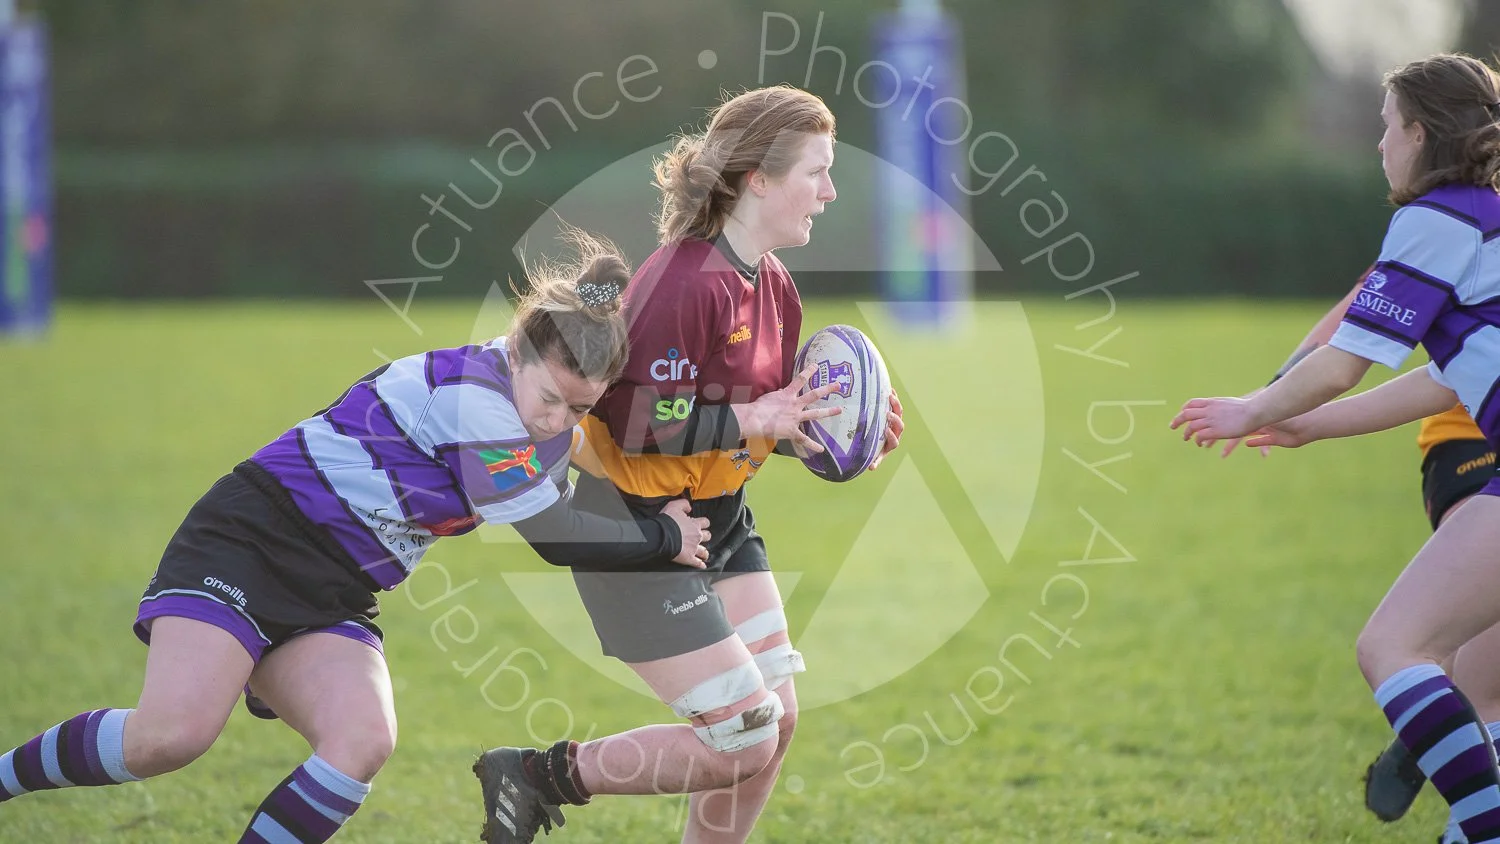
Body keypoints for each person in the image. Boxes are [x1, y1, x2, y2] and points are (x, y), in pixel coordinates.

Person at [0, 230, 714, 844]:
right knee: (170, 737)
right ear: (518, 349)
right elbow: (556, 536)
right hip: (254, 540)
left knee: (361, 743)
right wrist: (662, 537)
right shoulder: (477, 397)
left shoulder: (548, 427)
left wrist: (764, 429)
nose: (558, 419)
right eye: (551, 398)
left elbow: (625, 454)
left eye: (579, 407)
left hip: (334, 587)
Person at [474, 85, 904, 844]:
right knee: (742, 734)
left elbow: (745, 420)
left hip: (720, 515)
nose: (830, 191)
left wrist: (827, 433)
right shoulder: (683, 281)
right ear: (758, 179)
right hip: (632, 522)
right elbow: (634, 419)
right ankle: (541, 774)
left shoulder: (773, 285)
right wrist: (751, 416)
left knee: (778, 719)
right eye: (817, 170)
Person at [1172, 53, 1500, 844]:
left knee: (1396, 646)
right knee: (1477, 690)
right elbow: (1444, 384)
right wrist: (1307, 425)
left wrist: (1253, 406)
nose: (1379, 147)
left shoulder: (1443, 216)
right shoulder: (1487, 217)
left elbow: (1346, 359)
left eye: (1386, 129)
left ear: (1420, 134)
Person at [1238, 269, 1500, 840]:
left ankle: (1431, 727)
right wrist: (1276, 394)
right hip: (1467, 433)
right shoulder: (1463, 207)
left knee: (1475, 664)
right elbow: (1371, 294)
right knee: (1478, 666)